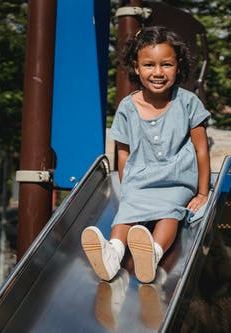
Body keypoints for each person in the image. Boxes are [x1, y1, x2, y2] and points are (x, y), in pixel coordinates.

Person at [81, 26, 210, 284]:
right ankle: (113, 253)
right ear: (136, 67)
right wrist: (126, 187)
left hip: (176, 179)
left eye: (167, 64)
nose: (158, 72)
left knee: (170, 212)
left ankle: (153, 252)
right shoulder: (127, 107)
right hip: (141, 180)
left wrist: (203, 193)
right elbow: (123, 152)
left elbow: (201, 149)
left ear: (178, 65)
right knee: (127, 213)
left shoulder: (187, 103)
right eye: (149, 65)